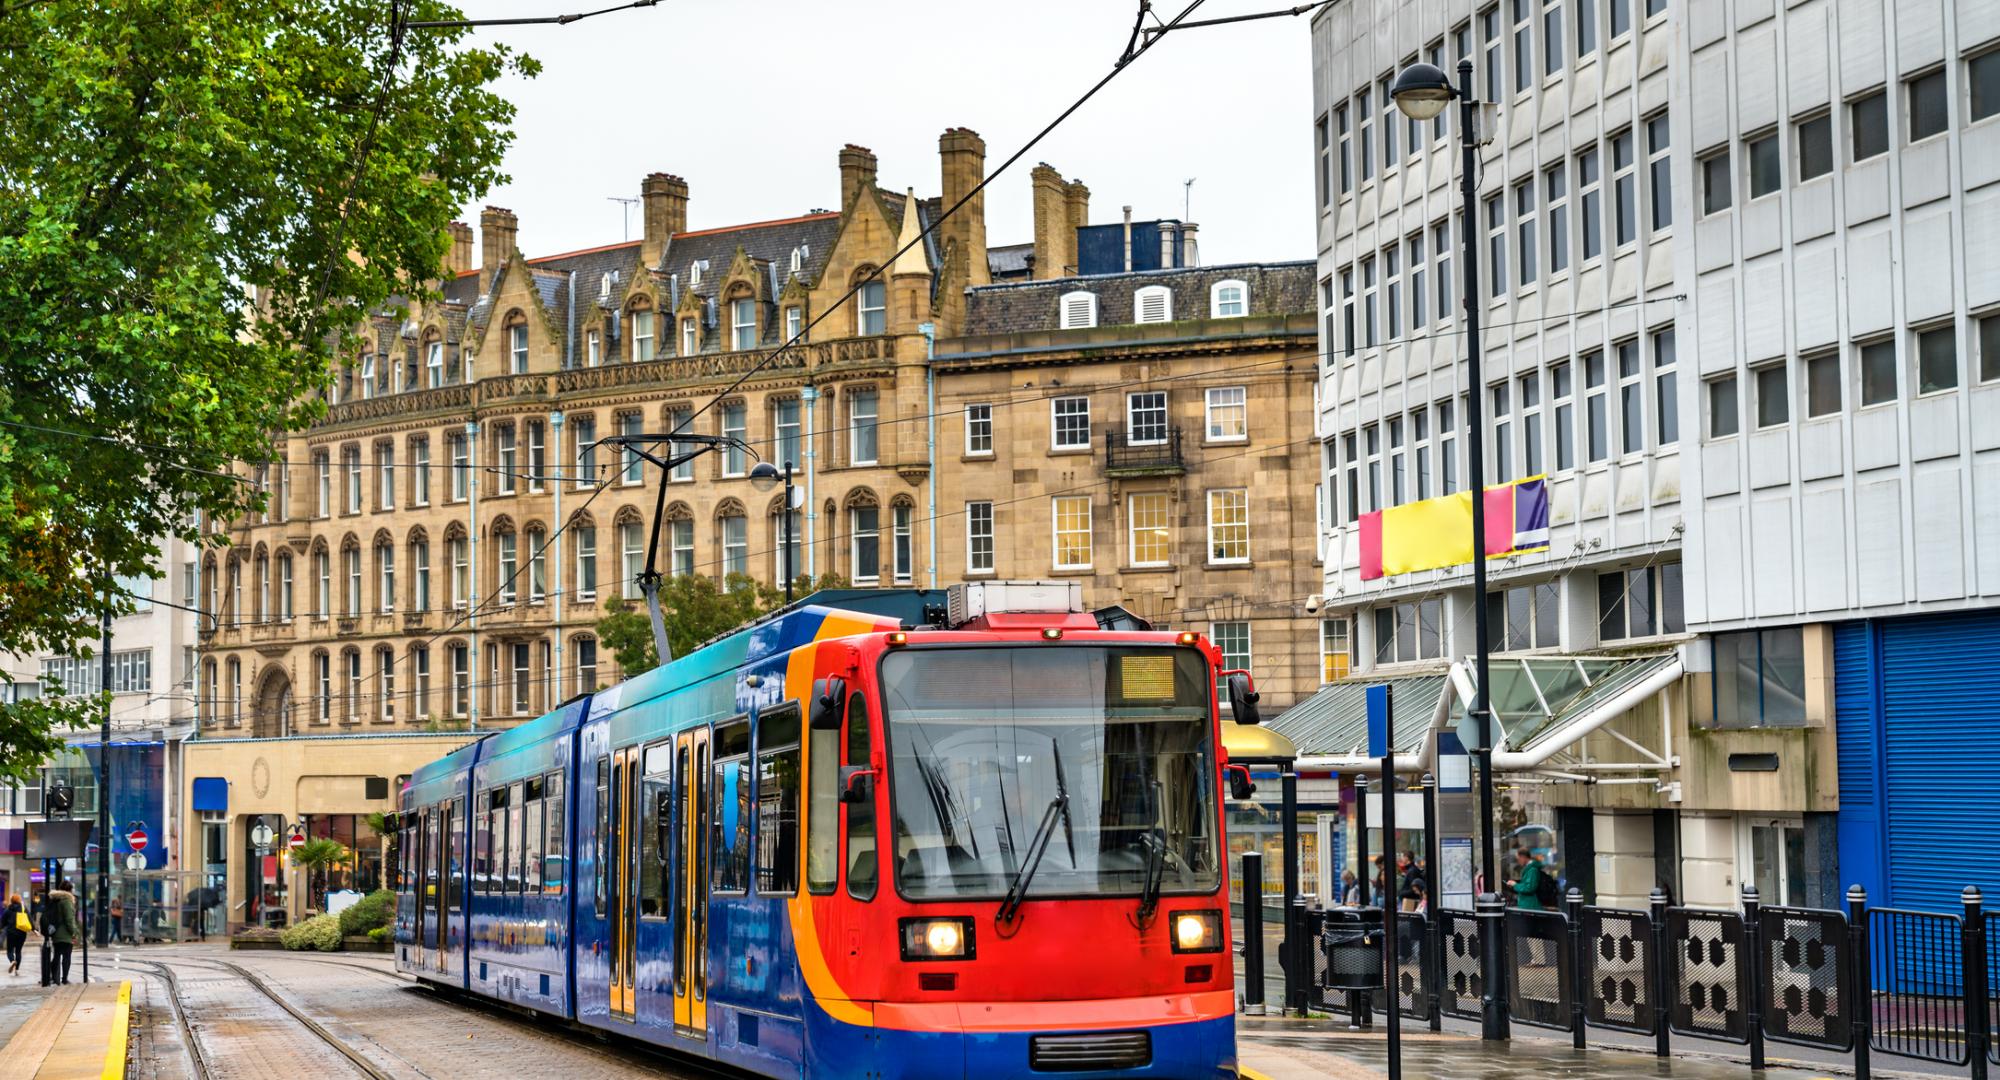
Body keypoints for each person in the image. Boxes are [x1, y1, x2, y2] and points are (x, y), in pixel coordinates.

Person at [42, 879, 78, 985]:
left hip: (55, 932)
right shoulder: (66, 901)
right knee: (66, 957)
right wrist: (74, 932)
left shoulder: (55, 900)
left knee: (57, 955)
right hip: (65, 934)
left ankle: (54, 978)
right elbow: (69, 920)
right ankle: (64, 979)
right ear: (69, 890)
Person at [4, 893, 27, 976]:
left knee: (10, 950)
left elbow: (3, 921)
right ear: (19, 900)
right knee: (18, 951)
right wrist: (34, 929)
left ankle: (12, 961)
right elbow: (30, 919)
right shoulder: (24, 909)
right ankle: (17, 970)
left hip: (11, 933)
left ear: (11, 900)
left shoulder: (8, 909)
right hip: (22, 933)